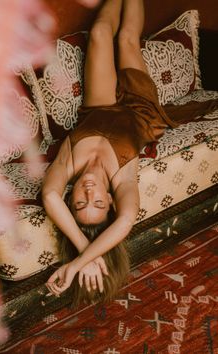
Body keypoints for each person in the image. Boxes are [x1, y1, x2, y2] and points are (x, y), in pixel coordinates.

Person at [42, 0, 178, 306]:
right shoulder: (123, 181)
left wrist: (79, 255)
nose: (90, 191)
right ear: (111, 200)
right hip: (140, 112)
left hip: (100, 107)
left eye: (79, 201)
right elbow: (126, 219)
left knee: (102, 32)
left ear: (70, 197)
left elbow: (49, 196)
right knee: (127, 38)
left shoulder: (68, 163)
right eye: (99, 202)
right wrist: (84, 260)